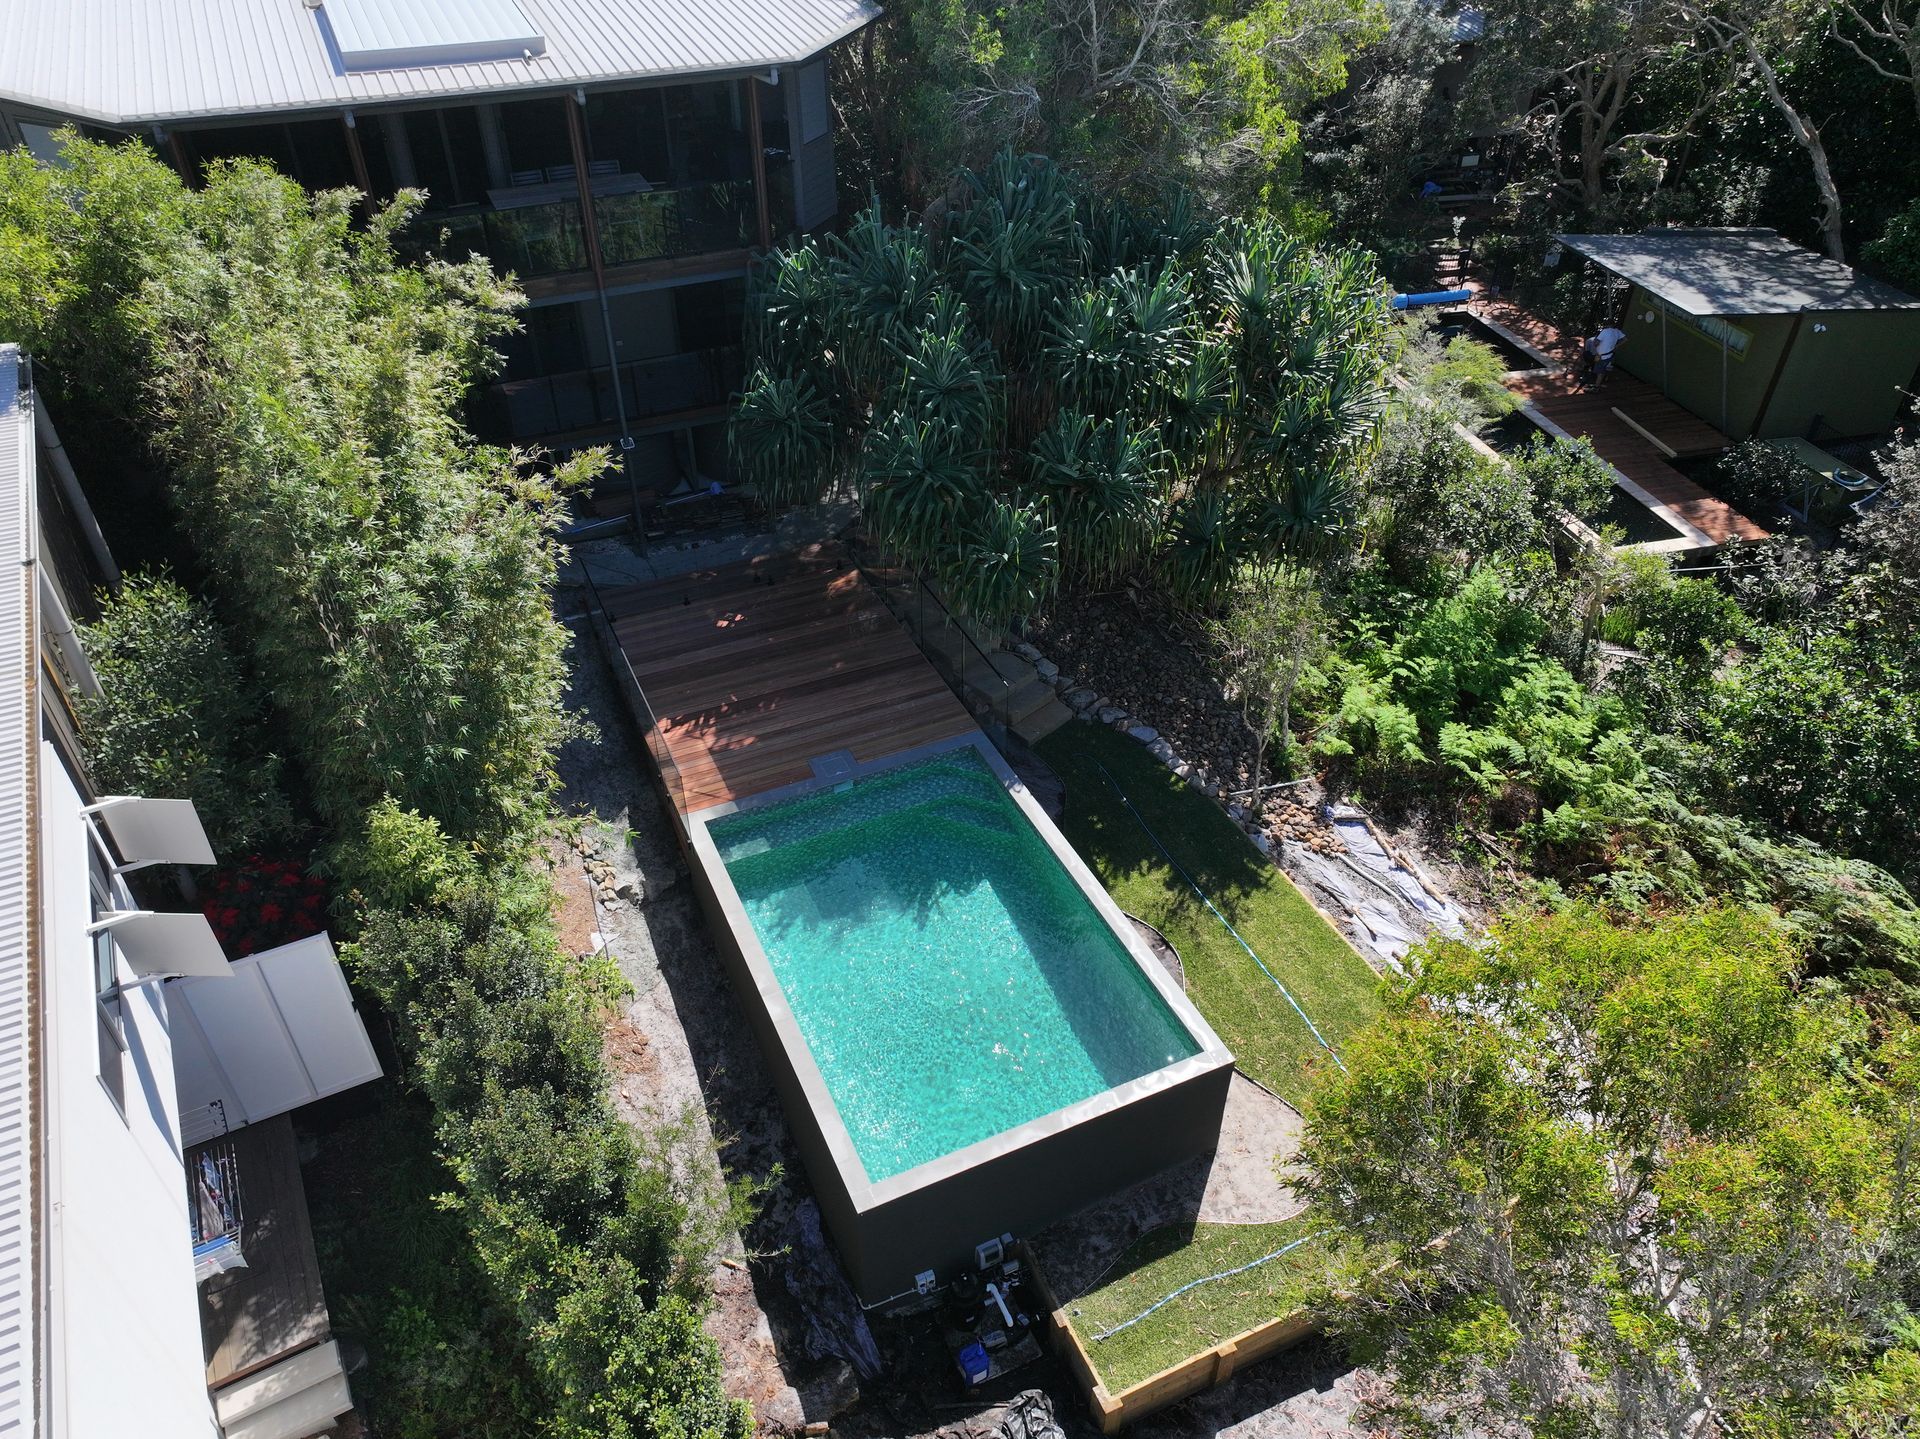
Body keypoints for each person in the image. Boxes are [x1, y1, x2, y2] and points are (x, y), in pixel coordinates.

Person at [1578, 322, 1628, 386]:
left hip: (1600, 356)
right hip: (1608, 355)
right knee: (1603, 368)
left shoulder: (1603, 333)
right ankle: (1600, 379)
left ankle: (1596, 386)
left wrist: (1596, 344)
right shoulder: (1616, 332)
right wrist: (1616, 346)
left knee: (1599, 370)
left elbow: (1593, 346)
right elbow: (1625, 339)